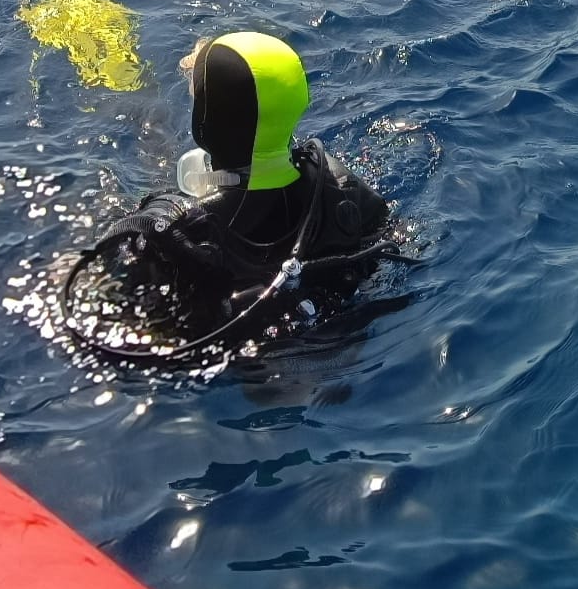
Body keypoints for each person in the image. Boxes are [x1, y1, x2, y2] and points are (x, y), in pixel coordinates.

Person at [66, 32, 391, 360]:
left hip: (231, 360)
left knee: (154, 139)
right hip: (336, 341)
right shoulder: (343, 191)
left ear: (205, 123)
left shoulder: (177, 234)